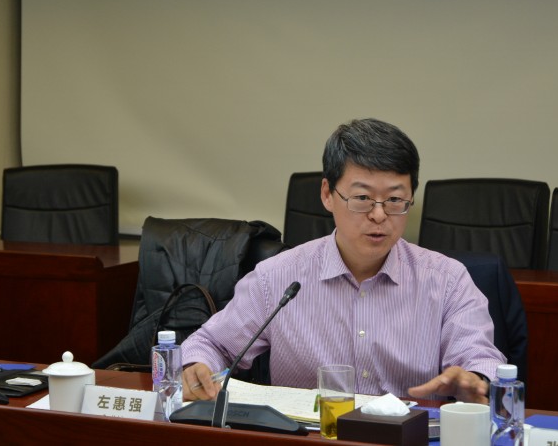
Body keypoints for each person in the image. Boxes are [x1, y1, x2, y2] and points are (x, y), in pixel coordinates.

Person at [181, 118, 505, 403]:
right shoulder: (276, 278)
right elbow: (211, 344)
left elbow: (480, 359)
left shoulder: (447, 280)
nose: (379, 215)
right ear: (327, 194)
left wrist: (475, 380)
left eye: (395, 200)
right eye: (362, 198)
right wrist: (199, 367)